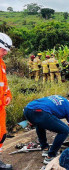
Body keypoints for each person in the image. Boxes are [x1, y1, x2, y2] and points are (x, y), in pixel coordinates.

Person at [23, 95, 69, 165]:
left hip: (27, 109)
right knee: (65, 130)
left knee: (40, 123)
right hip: (40, 111)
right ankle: (50, 157)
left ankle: (45, 149)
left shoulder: (60, 98)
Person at [0, 32, 13, 169]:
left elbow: (4, 83)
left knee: (1, 133)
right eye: (3, 50)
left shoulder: (1, 64)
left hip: (1, 106)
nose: (5, 53)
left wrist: (7, 95)